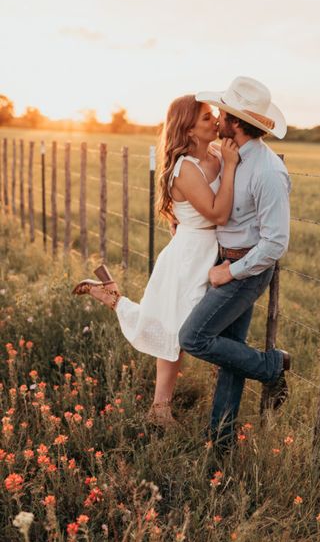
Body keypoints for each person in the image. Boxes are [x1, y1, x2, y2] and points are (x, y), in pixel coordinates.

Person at [72, 94, 240, 427]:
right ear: (188, 128)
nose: (215, 120)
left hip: (208, 252)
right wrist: (232, 167)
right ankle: (160, 409)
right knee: (174, 328)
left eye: (214, 115)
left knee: (179, 327)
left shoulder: (217, 153)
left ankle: (112, 298)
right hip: (190, 257)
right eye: (207, 117)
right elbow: (220, 213)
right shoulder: (186, 169)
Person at [178, 75, 291, 450]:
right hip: (225, 262)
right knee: (230, 353)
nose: (218, 116)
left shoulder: (268, 171)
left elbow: (275, 243)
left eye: (224, 112)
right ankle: (221, 442)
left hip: (247, 270)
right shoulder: (228, 156)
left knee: (193, 337)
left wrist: (231, 271)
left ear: (237, 122)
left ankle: (272, 366)